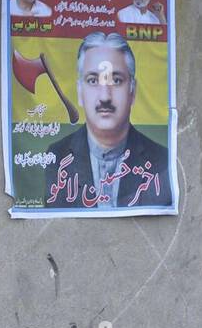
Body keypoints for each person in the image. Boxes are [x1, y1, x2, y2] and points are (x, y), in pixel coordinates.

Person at [40, 32, 172, 209]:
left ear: (132, 90)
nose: (104, 97)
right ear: (80, 92)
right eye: (93, 80)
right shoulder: (57, 158)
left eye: (116, 80)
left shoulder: (162, 161)